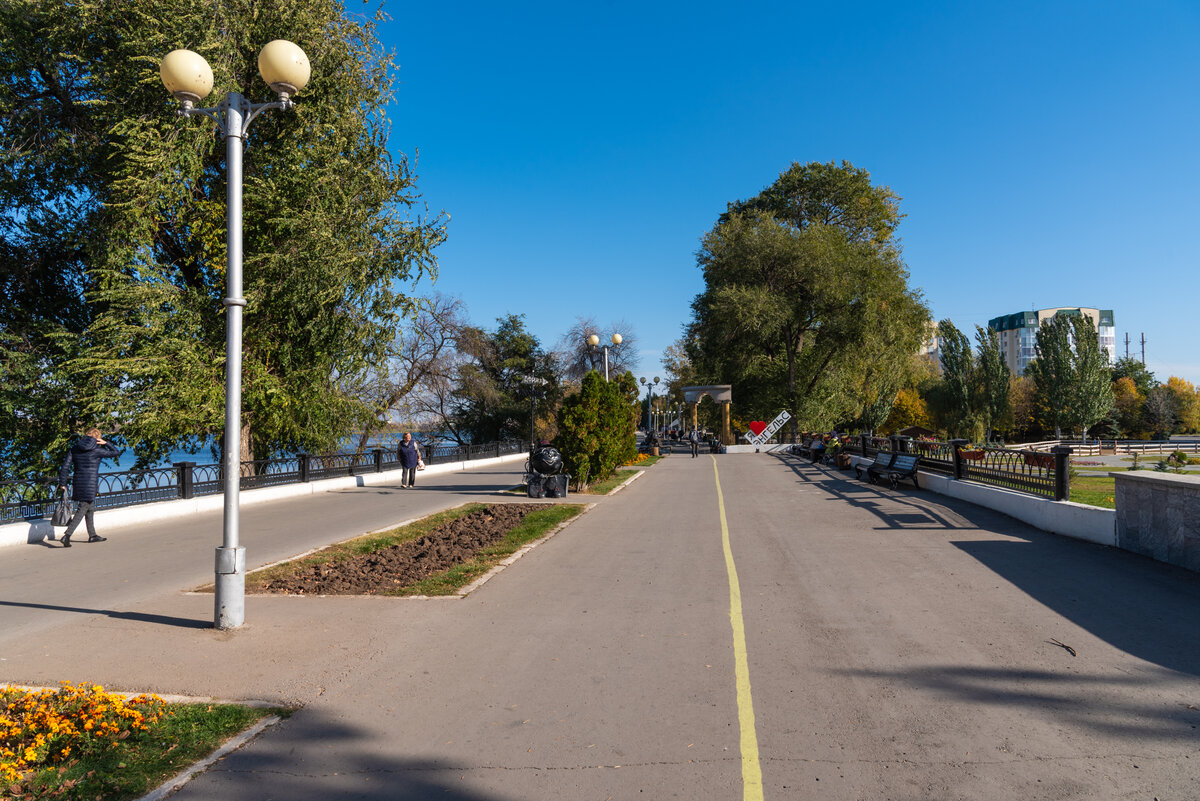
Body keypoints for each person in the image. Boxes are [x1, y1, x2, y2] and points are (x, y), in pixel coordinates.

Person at [57, 427, 121, 548]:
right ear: (97, 438)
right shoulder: (97, 450)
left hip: (78, 482)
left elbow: (65, 467)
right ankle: (67, 535)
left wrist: (63, 483)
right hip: (90, 483)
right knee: (83, 507)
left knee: (90, 508)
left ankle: (92, 535)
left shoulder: (74, 449)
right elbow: (116, 452)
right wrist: (106, 443)